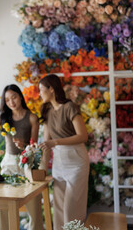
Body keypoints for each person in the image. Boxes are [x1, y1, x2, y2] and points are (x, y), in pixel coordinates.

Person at [0, 84, 45, 230]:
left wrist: (24, 145)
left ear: (20, 96)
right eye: (7, 100)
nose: (11, 102)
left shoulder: (32, 117)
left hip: (28, 164)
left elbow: (34, 146)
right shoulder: (3, 117)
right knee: (3, 207)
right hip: (8, 164)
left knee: (34, 210)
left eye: (14, 97)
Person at [38, 74, 89, 229]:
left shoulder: (70, 107)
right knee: (59, 210)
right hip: (59, 163)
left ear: (51, 89)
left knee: (71, 210)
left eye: (41, 89)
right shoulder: (47, 112)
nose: (40, 93)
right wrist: (42, 170)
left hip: (76, 162)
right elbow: (47, 145)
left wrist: (56, 142)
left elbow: (83, 136)